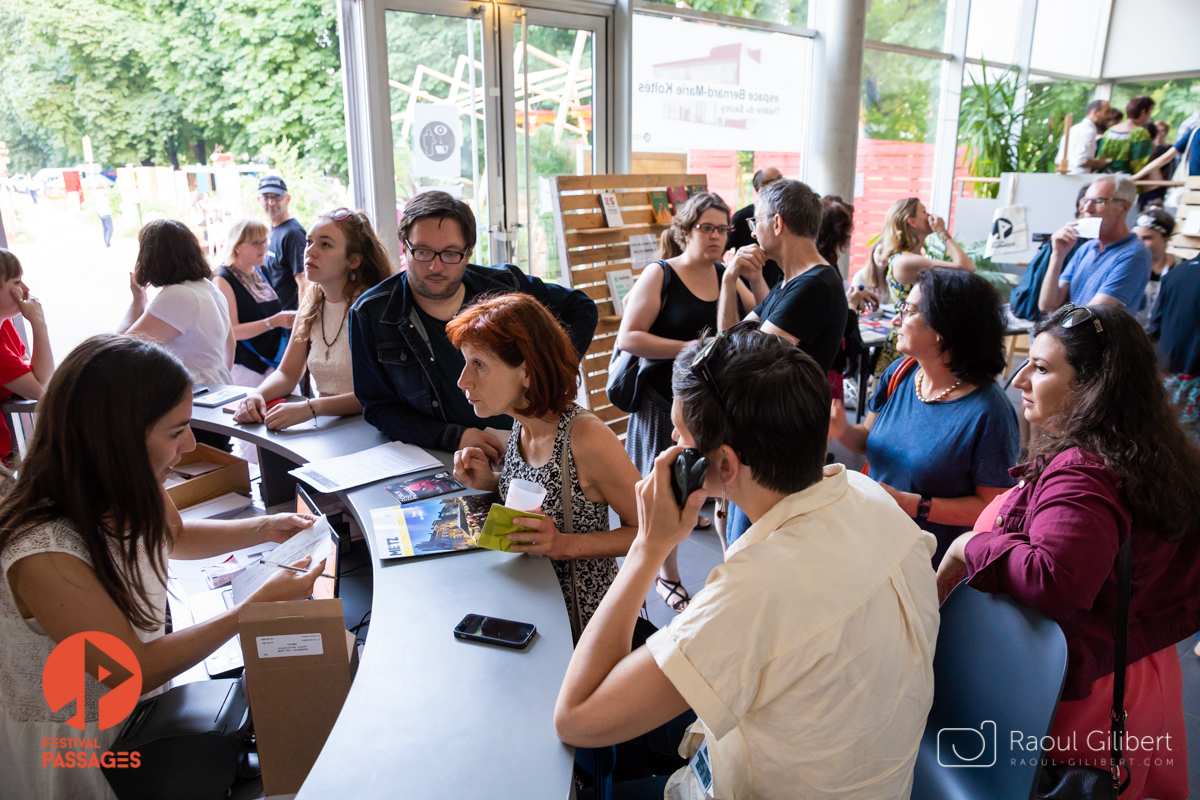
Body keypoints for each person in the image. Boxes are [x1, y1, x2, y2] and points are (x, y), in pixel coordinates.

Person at [554, 328, 940, 799]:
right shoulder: (869, 495)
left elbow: (576, 719)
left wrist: (646, 550)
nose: (672, 441)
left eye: (680, 434)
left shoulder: (754, 589)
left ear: (723, 465)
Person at [0, 335, 325, 800]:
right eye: (176, 432)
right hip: (82, 740)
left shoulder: (126, 481)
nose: (190, 443)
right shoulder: (43, 551)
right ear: (115, 437)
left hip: (141, 717)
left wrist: (265, 527)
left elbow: (172, 536)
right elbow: (131, 668)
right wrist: (250, 611)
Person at [937, 305, 1200, 800]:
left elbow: (1054, 578)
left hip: (1079, 699)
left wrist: (968, 546)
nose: (1018, 380)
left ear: (1092, 385)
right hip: (1130, 671)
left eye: (1040, 367)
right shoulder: (1140, 449)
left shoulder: (1083, 471)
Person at [350, 190, 597, 458]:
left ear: (468, 253)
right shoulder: (369, 313)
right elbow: (378, 407)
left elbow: (582, 309)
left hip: (527, 446)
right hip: (437, 454)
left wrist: (548, 370)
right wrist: (454, 436)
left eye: (450, 254)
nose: (435, 266)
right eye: (422, 252)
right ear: (404, 247)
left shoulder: (505, 287)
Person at [449, 295, 641, 634]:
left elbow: (650, 530)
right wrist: (492, 481)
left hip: (583, 625)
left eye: (479, 364)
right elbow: (550, 489)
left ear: (526, 371)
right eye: (465, 363)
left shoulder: (586, 437)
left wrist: (564, 545)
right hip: (532, 605)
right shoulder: (521, 421)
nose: (463, 380)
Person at [616, 192, 757, 612]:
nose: (716, 236)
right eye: (707, 227)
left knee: (697, 488)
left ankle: (680, 571)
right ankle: (666, 575)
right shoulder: (661, 274)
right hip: (662, 405)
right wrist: (693, 349)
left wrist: (747, 277)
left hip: (705, 408)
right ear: (683, 231)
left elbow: (753, 322)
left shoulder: (724, 274)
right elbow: (629, 337)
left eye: (722, 229)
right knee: (665, 491)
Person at [835, 268, 1019, 566]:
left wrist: (912, 504)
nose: (897, 320)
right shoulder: (900, 373)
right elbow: (868, 440)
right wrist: (841, 429)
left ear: (943, 328)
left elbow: (992, 508)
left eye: (908, 311)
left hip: (930, 563)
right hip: (872, 542)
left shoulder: (989, 411)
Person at [234, 209, 392, 430]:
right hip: (328, 428)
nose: (310, 251)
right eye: (309, 242)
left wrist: (311, 408)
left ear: (354, 260)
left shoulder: (374, 308)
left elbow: (378, 392)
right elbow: (288, 374)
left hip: (374, 429)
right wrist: (257, 395)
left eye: (325, 244)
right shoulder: (311, 305)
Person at [871, 196, 974, 376]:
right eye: (924, 212)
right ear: (912, 221)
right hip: (911, 340)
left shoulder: (912, 258)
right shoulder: (905, 261)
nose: (930, 216)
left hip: (918, 338)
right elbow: (966, 268)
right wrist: (942, 232)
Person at [1038, 174, 1151, 314]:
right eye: (1085, 201)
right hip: (1074, 334)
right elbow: (1047, 306)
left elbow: (1090, 315)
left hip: (1096, 335)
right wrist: (1057, 255)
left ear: (1124, 206)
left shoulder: (1134, 254)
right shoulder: (1086, 248)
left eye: (1099, 201)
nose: (1087, 209)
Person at [214, 219, 295, 387]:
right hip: (246, 368)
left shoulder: (261, 270)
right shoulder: (223, 279)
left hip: (274, 362)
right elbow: (232, 332)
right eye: (256, 243)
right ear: (237, 246)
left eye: (265, 241)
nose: (263, 247)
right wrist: (274, 322)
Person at [0, 249, 54, 462]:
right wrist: (39, 324)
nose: (25, 290)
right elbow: (43, 387)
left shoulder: (4, 326)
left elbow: (33, 371)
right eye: (16, 282)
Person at [1009, 186, 1089, 322]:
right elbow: (1048, 305)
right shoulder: (1076, 240)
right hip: (1054, 320)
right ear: (1082, 206)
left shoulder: (1066, 235)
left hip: (1045, 316)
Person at [1149, 254, 1200, 445]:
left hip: (1168, 374)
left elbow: (1155, 327)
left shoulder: (1175, 273)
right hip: (1193, 378)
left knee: (1169, 442)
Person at [725, 167, 783, 287]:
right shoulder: (741, 217)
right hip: (747, 287)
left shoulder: (784, 215)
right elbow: (720, 252)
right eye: (777, 179)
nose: (782, 182)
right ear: (762, 187)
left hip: (778, 285)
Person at [257, 176, 307, 311]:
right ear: (259, 200)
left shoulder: (293, 233)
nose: (271, 202)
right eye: (266, 197)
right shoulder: (270, 230)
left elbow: (304, 281)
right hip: (276, 319)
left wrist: (300, 322)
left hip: (289, 319)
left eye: (276, 197)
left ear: (288, 199)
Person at [1132, 208, 1176, 326]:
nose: (1139, 243)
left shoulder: (1180, 269)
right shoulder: (1127, 266)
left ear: (1166, 237)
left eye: (1147, 238)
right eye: (1135, 237)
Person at [1133, 104, 1200, 182]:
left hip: (1192, 187)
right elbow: (1165, 158)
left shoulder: (1195, 131)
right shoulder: (1195, 132)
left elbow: (1166, 157)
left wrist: (1135, 177)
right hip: (1193, 187)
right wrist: (1135, 177)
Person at [1097, 96, 1156, 176]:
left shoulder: (1109, 131)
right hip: (1127, 182)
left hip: (1105, 180)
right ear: (1143, 111)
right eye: (1150, 110)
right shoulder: (1140, 133)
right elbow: (1140, 165)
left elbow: (1100, 159)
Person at [1054, 99, 1113, 174]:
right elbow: (1080, 161)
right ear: (1095, 112)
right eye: (1107, 112)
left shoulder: (1075, 128)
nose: (1110, 116)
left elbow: (1059, 161)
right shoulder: (1089, 131)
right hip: (1077, 180)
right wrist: (1100, 163)